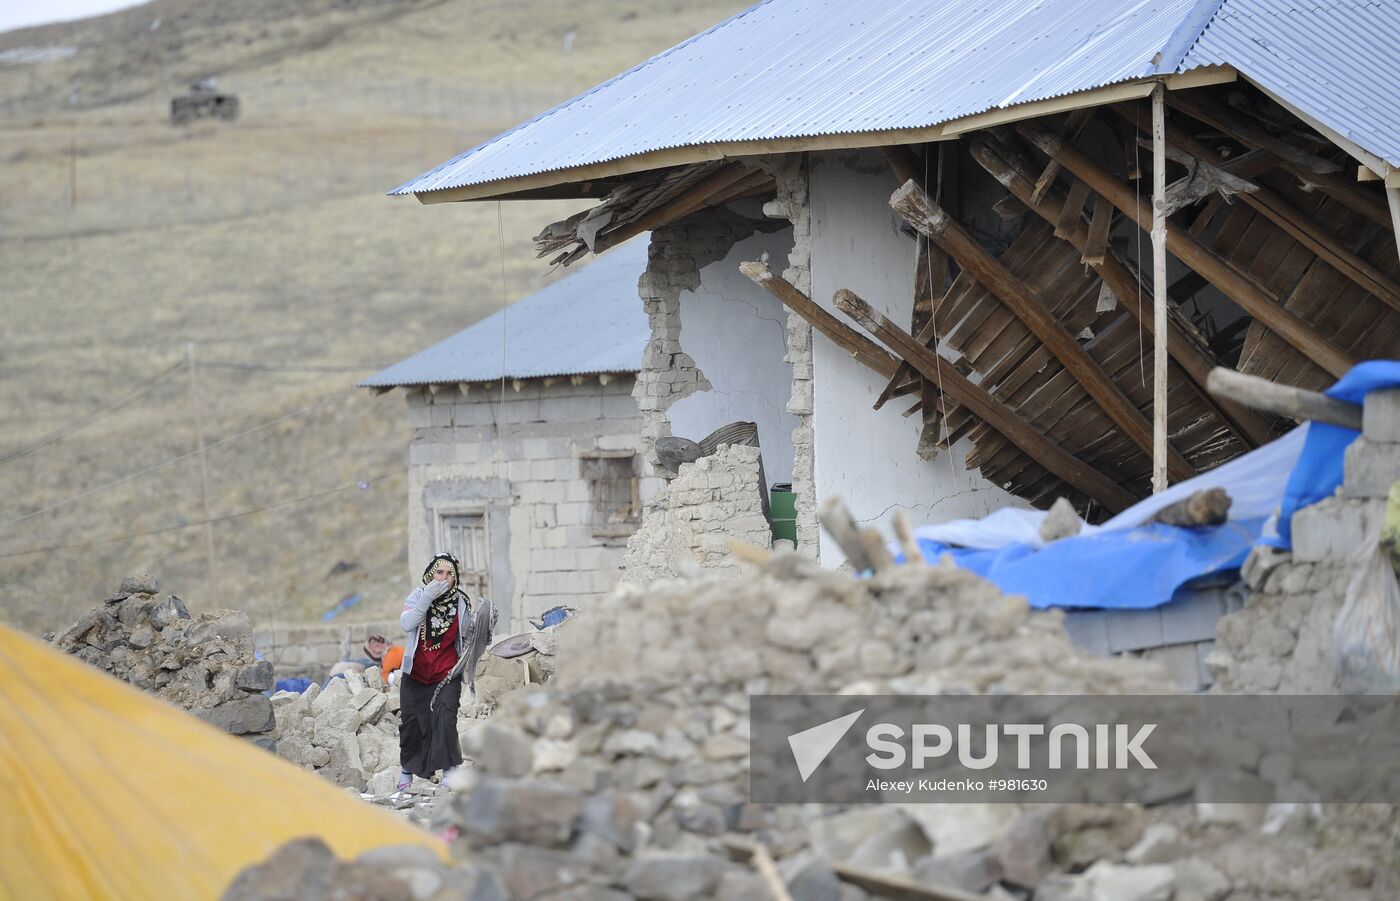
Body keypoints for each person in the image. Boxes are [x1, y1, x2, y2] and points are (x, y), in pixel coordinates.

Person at [396, 552, 496, 792]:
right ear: (431, 574)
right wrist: (427, 598)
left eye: (450, 573)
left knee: (446, 719)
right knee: (412, 724)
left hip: (446, 674)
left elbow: (470, 638)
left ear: (456, 577)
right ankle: (406, 776)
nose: (444, 577)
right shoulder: (419, 595)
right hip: (415, 675)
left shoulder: (461, 602)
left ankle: (450, 775)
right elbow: (406, 624)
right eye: (439, 572)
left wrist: (485, 625)